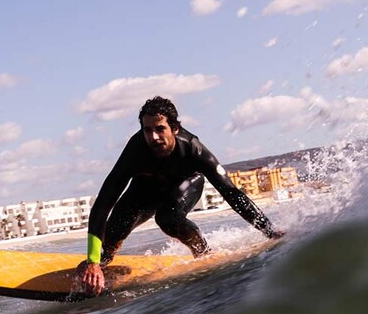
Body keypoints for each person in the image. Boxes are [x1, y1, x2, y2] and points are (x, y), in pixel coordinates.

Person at [78, 96, 284, 295]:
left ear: (174, 128)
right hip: (144, 192)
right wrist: (93, 262)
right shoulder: (136, 150)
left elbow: (231, 193)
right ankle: (98, 269)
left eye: (160, 129)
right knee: (108, 239)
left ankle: (203, 251)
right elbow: (103, 203)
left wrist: (270, 231)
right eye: (147, 130)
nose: (153, 137)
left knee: (168, 218)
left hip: (185, 186)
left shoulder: (194, 149)